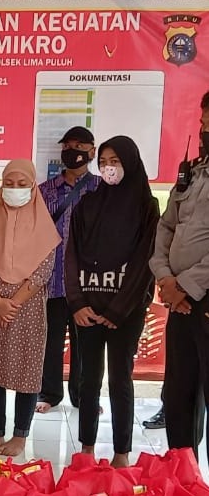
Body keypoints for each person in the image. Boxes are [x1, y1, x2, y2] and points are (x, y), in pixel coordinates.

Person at [66, 136, 159, 468]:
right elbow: (71, 254)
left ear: (131, 163)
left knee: (121, 378)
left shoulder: (146, 207)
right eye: (104, 160)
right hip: (87, 309)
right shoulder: (87, 205)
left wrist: (120, 309)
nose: (109, 167)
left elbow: (145, 260)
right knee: (88, 378)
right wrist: (76, 303)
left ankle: (122, 452)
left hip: (126, 312)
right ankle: (86, 449)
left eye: (116, 161)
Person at [0, 160, 59, 458]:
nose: (15, 190)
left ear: (33, 187)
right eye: (10, 183)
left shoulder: (43, 224)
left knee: (27, 370)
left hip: (28, 308)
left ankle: (20, 436)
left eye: (23, 184)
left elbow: (44, 269)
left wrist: (12, 304)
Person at [151, 91, 209, 454]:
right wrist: (166, 279)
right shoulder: (193, 171)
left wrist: (186, 286)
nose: (204, 129)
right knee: (179, 395)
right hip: (179, 300)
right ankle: (182, 479)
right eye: (204, 122)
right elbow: (165, 227)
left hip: (201, 299)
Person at [35, 126, 101, 414]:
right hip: (52, 279)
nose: (72, 151)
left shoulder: (102, 189)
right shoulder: (45, 191)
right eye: (67, 146)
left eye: (79, 145)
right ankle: (50, 393)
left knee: (86, 342)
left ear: (92, 151)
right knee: (50, 340)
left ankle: (83, 395)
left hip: (88, 282)